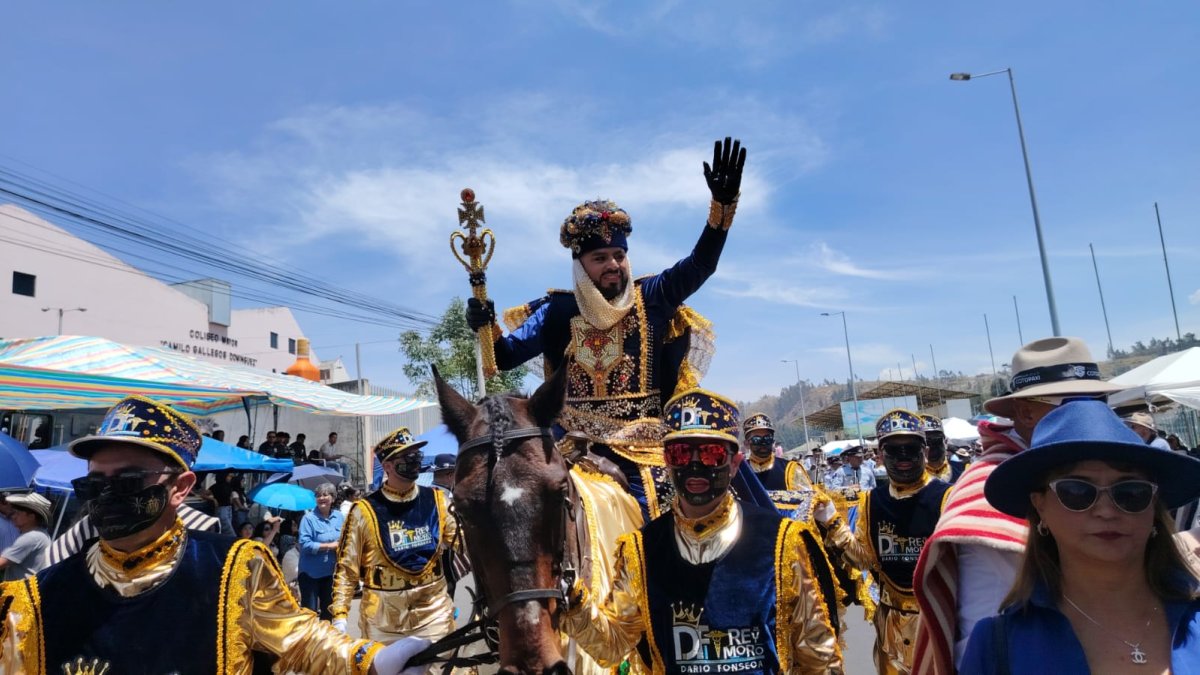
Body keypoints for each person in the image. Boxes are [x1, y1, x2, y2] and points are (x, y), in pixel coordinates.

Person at [0, 395, 428, 674]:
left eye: (128, 480)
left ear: (180, 488)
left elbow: (298, 638)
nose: (107, 495)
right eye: (94, 484)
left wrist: (369, 660)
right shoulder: (37, 600)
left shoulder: (234, 568)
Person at [466, 137, 746, 520]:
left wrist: (721, 209)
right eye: (600, 258)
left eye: (619, 255)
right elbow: (501, 358)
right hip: (573, 447)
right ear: (581, 266)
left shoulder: (654, 296)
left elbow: (701, 264)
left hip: (646, 448)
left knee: (690, 512)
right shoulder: (557, 310)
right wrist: (484, 325)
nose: (613, 265)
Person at [562, 388, 845, 673]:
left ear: (735, 464)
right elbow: (613, 644)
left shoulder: (781, 541)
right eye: (681, 453)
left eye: (711, 453)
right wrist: (572, 601)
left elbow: (818, 654)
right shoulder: (643, 550)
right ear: (667, 461)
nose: (694, 465)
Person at [911, 337, 1124, 675]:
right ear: (1025, 412)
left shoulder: (1101, 475)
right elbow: (987, 634)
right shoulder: (992, 488)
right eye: (1077, 402)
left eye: (1100, 401)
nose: (1094, 414)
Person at [960, 400, 1200, 673]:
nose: (1107, 511)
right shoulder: (996, 646)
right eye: (1077, 492)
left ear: (1154, 506)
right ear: (1040, 506)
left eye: (1131, 492)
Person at [818, 409, 951, 675]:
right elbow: (864, 559)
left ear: (924, 451)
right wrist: (832, 522)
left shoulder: (946, 497)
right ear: (880, 454)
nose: (903, 458)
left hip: (937, 620)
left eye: (911, 449)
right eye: (893, 450)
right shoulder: (872, 501)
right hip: (890, 622)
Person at [331, 426, 458, 643]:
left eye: (416, 455)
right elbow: (346, 568)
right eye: (407, 456)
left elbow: (465, 544)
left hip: (434, 613)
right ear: (388, 465)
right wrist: (340, 616)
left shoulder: (437, 501)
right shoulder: (363, 511)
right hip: (383, 620)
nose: (415, 460)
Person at [300, 482, 346, 620]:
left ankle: (326, 640)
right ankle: (309, 641)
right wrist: (330, 546)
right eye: (318, 496)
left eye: (325, 495)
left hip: (331, 573)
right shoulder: (308, 519)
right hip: (310, 574)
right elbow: (305, 545)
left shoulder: (339, 517)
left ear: (333, 498)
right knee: (310, 614)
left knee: (329, 612)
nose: (321, 498)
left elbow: (345, 539)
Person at [0, 493, 52, 581]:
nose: (14, 517)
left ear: (31, 517)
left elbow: (1, 563)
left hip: (23, 591)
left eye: (18, 513)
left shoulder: (32, 537)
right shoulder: (40, 534)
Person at [920, 415, 953, 483]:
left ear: (945, 442)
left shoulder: (962, 469)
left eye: (936, 441)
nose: (931, 448)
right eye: (926, 443)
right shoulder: (912, 481)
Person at [210, 470, 237, 535]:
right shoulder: (216, 486)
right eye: (229, 476)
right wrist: (213, 499)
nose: (230, 478)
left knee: (225, 530)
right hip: (221, 509)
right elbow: (203, 494)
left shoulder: (229, 486)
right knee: (230, 532)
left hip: (228, 509)